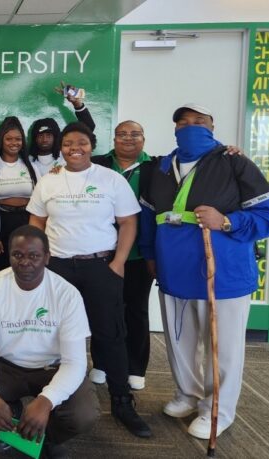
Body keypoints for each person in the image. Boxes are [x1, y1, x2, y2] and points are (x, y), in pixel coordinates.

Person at [139, 103, 269, 440]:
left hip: (223, 273)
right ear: (174, 129)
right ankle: (188, 394)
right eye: (183, 122)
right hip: (174, 271)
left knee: (223, 346)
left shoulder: (234, 162)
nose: (190, 126)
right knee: (180, 341)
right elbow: (148, 217)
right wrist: (149, 254)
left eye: (199, 121)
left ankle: (218, 408)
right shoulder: (159, 168)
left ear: (212, 125)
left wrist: (228, 221)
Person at [27, 121, 152, 438]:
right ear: (61, 147)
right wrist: (40, 262)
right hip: (57, 268)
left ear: (91, 145)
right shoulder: (49, 181)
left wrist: (120, 262)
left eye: (81, 142)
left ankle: (122, 403)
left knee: (110, 335)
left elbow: (127, 223)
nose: (74, 148)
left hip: (101, 266)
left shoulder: (110, 179)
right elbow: (36, 222)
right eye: (68, 143)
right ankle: (51, 401)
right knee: (49, 334)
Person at [0, 226, 98, 458]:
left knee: (84, 414)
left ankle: (44, 436)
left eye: (34, 256)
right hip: (6, 366)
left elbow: (75, 362)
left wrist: (46, 401)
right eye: (17, 255)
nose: (25, 262)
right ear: (9, 255)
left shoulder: (67, 295)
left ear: (47, 258)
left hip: (52, 367)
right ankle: (10, 418)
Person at [87, 120, 152, 389]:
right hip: (102, 251)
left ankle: (135, 367)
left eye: (135, 134)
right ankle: (101, 363)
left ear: (143, 139)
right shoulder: (99, 164)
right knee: (103, 310)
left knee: (136, 310)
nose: (128, 139)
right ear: (113, 139)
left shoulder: (155, 167)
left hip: (138, 253)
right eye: (122, 134)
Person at [0, 116, 37, 274]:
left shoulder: (32, 164)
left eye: (18, 139)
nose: (14, 143)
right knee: (2, 268)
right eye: (9, 139)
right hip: (1, 221)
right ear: (1, 141)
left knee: (26, 267)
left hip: (27, 220)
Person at [28, 83, 95, 180]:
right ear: (35, 138)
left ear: (56, 137)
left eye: (49, 135)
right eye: (40, 135)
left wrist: (77, 104)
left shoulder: (65, 156)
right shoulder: (27, 160)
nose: (45, 139)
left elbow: (89, 128)